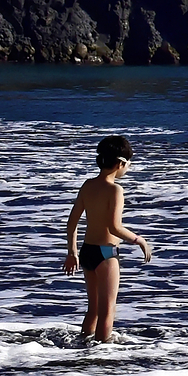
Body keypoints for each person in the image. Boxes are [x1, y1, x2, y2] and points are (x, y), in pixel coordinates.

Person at [60, 135, 152, 344]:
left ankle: (83, 345)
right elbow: (114, 227)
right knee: (107, 309)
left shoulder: (88, 185)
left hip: (87, 251)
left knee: (93, 308)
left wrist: (72, 253)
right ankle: (101, 356)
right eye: (128, 164)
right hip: (106, 253)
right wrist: (139, 240)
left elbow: (72, 222)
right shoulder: (115, 190)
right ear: (120, 163)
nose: (128, 168)